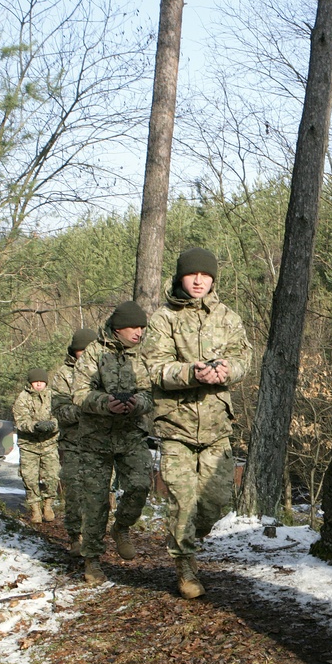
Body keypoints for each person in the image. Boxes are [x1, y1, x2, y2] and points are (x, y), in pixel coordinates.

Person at [141, 247, 252, 600]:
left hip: (217, 426)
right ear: (180, 277)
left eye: (205, 275)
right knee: (183, 502)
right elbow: (153, 369)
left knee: (215, 502)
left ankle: (189, 536)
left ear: (214, 279)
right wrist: (191, 373)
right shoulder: (163, 319)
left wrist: (227, 371)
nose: (199, 280)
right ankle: (185, 566)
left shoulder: (227, 317)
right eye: (192, 275)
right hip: (176, 427)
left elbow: (243, 357)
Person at [72, 301, 154, 586]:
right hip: (95, 439)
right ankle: (92, 560)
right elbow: (78, 393)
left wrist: (136, 404)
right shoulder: (94, 352)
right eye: (134, 327)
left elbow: (149, 393)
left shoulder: (142, 354)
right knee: (95, 502)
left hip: (131, 435)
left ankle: (122, 527)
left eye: (142, 327)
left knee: (141, 484)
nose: (139, 332)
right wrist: (104, 403)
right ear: (118, 328)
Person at [50, 327, 98, 555]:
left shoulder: (104, 369)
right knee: (74, 491)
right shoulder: (62, 375)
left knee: (100, 494)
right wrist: (84, 410)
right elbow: (59, 411)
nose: (85, 354)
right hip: (73, 443)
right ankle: (75, 536)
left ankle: (95, 537)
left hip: (101, 443)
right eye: (82, 351)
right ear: (74, 351)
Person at [12, 367, 61, 524]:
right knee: (30, 479)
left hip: (49, 443)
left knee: (52, 476)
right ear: (30, 383)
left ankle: (48, 506)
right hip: (29, 445)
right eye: (35, 382)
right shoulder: (23, 398)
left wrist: (53, 425)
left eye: (41, 382)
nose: (39, 385)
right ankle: (35, 510)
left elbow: (61, 415)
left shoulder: (53, 396)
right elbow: (20, 421)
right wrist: (34, 426)